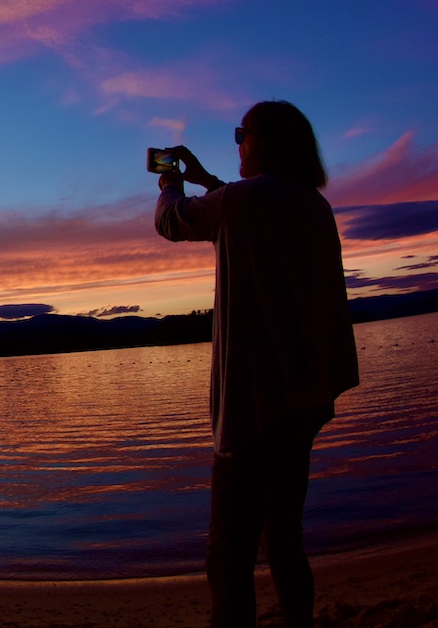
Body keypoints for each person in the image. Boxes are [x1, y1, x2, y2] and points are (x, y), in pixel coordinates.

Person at [154, 100, 359, 627]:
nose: (238, 140)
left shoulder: (243, 203)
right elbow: (244, 207)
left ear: (262, 141)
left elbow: (171, 224)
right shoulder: (311, 204)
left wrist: (171, 184)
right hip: (305, 399)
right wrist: (206, 179)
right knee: (285, 537)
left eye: (242, 133)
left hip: (254, 406)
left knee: (228, 554)